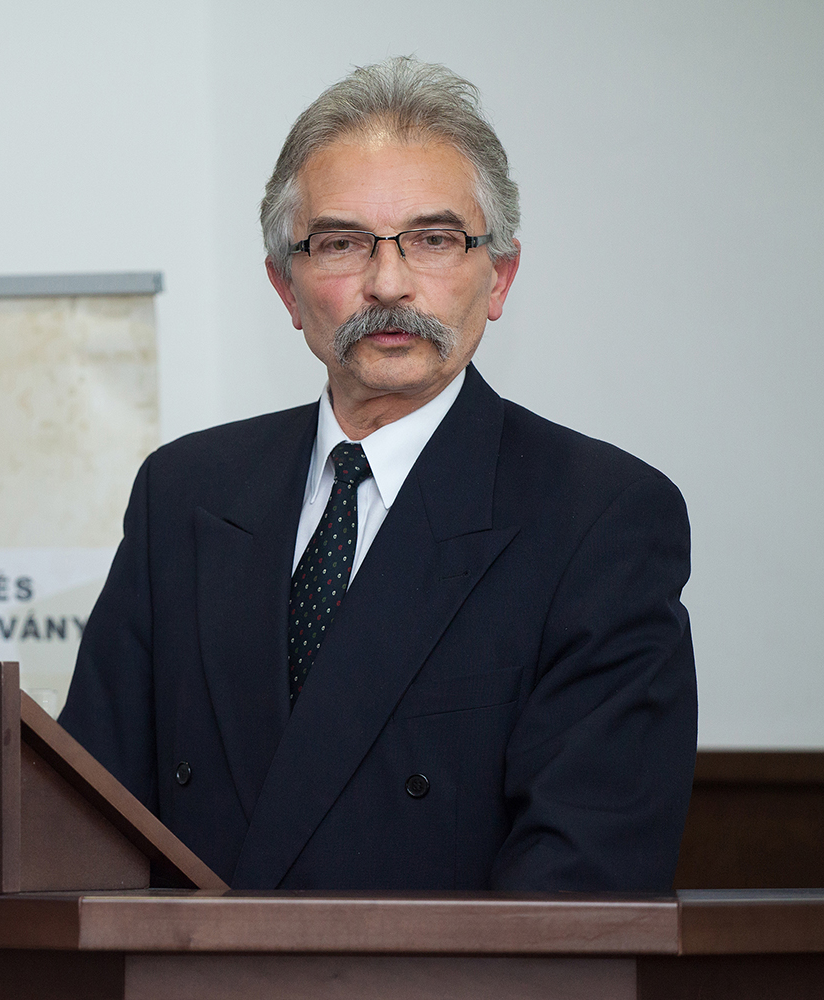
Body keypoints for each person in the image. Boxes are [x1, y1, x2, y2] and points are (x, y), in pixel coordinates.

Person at [58, 57, 697, 892]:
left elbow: (583, 882)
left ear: (499, 277)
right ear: (286, 288)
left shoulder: (601, 518)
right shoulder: (184, 493)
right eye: (341, 244)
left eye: (433, 240)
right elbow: (87, 818)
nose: (388, 283)